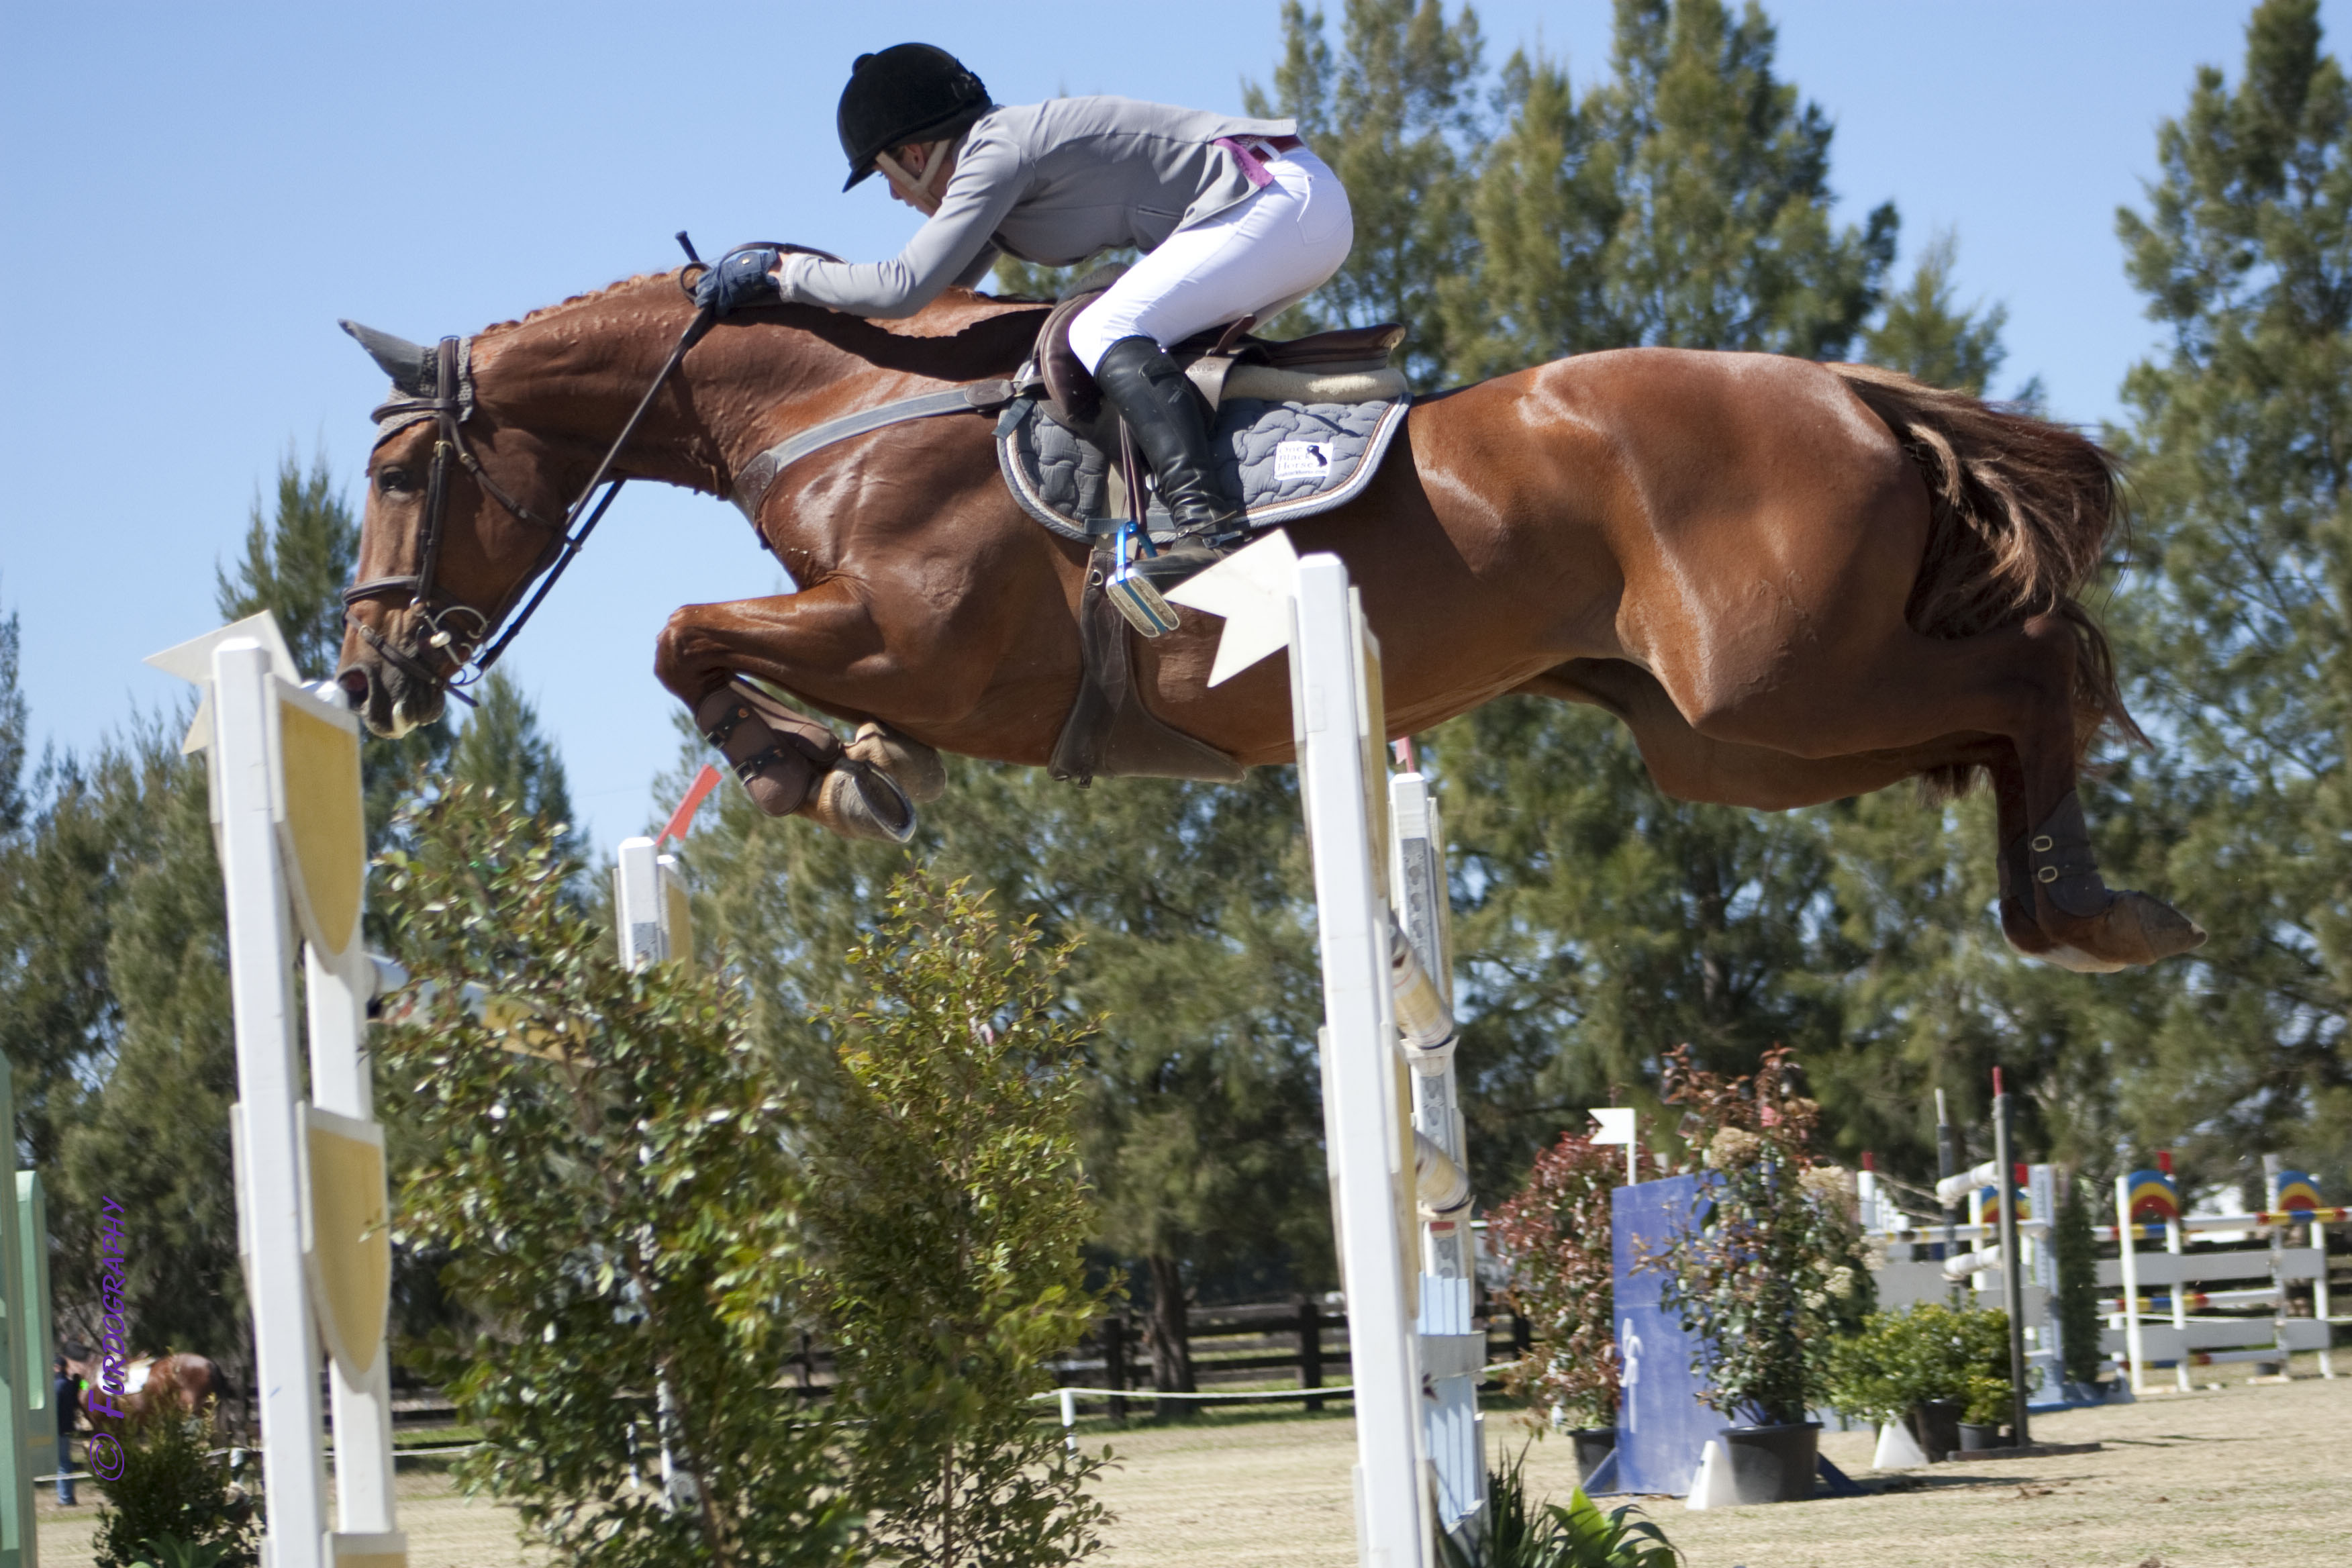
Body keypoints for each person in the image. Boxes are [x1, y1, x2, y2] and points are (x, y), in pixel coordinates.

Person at [695, 43, 1355, 593]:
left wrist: (781, 273)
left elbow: (901, 285)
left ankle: (1209, 528)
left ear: (916, 153)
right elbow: (935, 295)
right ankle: (1259, 495)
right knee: (1134, 340)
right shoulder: (997, 166)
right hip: (1283, 206)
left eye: (886, 174)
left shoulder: (993, 151)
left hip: (1276, 199)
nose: (895, 195)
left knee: (1100, 329)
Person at [53, 1352, 80, 1505]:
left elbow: (55, 1409)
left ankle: (65, 1498)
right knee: (67, 1462)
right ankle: (69, 1495)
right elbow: (83, 1387)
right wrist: (79, 1382)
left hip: (59, 1429)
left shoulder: (56, 1386)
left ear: (57, 1367)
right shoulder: (70, 1385)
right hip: (68, 1427)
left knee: (62, 1464)